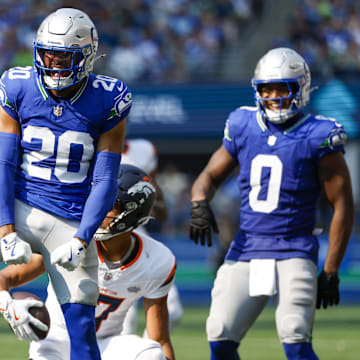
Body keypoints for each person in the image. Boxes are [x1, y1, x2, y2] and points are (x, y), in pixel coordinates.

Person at [189, 47, 354, 360]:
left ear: (301, 89)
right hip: (247, 248)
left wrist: (331, 270)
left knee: (294, 334)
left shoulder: (318, 133)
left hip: (294, 250)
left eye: (283, 89)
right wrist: (199, 202)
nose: (274, 96)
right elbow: (209, 174)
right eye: (267, 89)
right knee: (219, 332)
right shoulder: (243, 124)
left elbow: (343, 204)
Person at [0, 8, 131, 360]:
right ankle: (6, 302)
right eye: (47, 55)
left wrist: (81, 238)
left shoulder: (109, 97)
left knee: (83, 335)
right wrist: (5, 229)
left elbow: (105, 176)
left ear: (87, 56)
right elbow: (5, 161)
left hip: (69, 220)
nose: (53, 64)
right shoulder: (17, 84)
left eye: (64, 57)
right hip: (18, 203)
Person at [0, 164, 176, 360]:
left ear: (132, 213)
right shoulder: (66, 238)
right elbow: (4, 278)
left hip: (105, 343)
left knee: (151, 354)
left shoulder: (157, 260)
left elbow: (159, 339)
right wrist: (7, 305)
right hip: (54, 342)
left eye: (108, 203)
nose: (96, 208)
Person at [121, 138, 184, 335]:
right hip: (104, 239)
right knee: (124, 323)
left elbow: (161, 208)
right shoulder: (87, 148)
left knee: (172, 311)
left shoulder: (143, 149)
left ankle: (148, 353)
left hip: (137, 234)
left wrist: (146, 202)